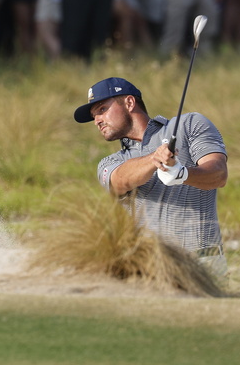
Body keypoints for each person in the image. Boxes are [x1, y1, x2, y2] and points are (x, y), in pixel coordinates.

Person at [73, 76, 229, 275]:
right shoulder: (109, 163)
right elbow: (120, 181)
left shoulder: (188, 125)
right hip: (147, 269)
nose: (97, 121)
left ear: (129, 102)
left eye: (102, 110)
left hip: (204, 262)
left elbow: (218, 174)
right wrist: (155, 159)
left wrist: (182, 173)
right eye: (94, 116)